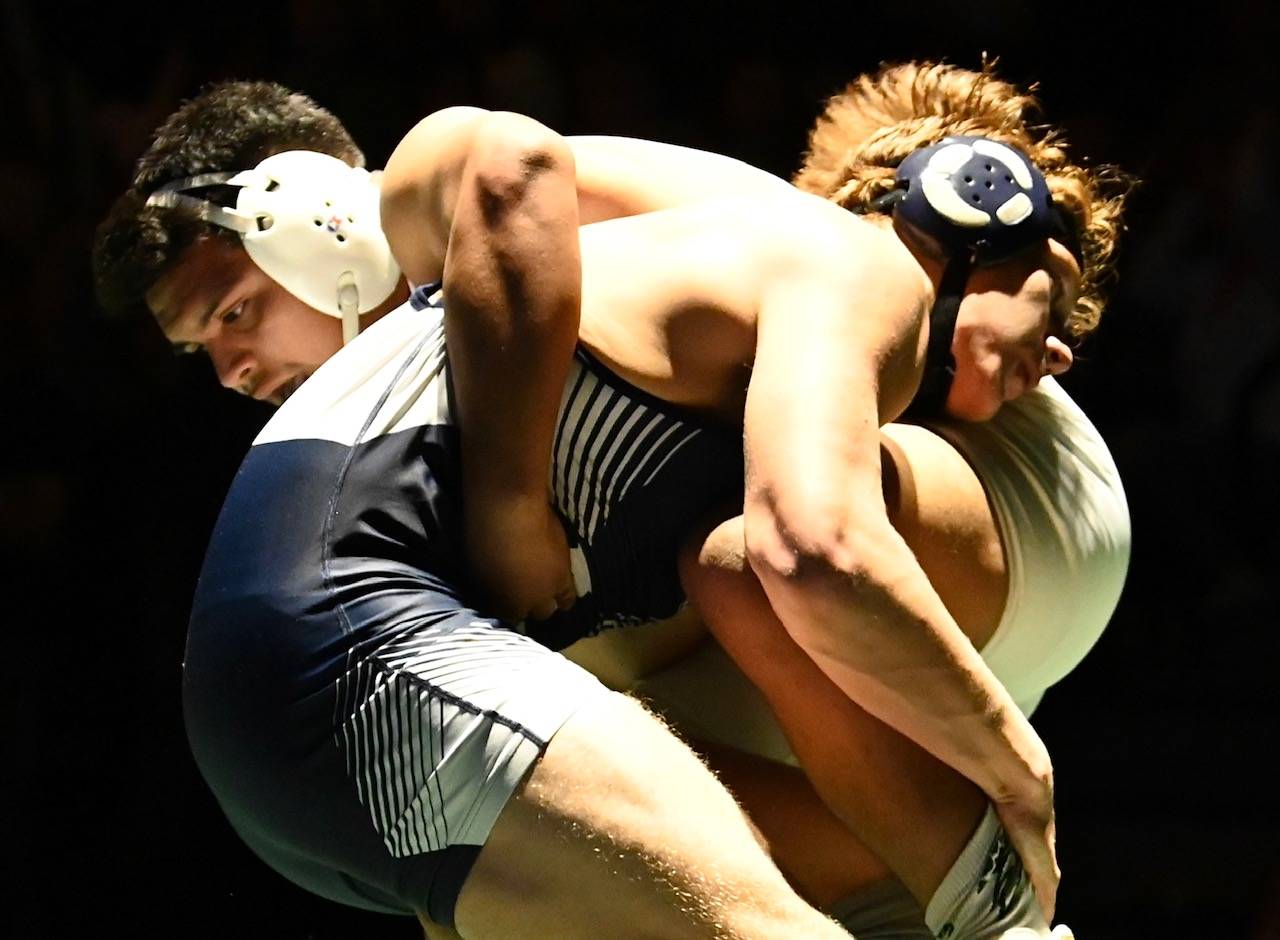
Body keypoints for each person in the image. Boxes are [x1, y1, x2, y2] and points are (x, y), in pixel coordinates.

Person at [91, 64, 1129, 938]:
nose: (1060, 348)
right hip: (349, 634)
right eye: (1052, 285)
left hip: (293, 691)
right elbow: (810, 548)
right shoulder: (847, 259)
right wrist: (1017, 765)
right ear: (959, 207)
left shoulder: (615, 277)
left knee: (841, 907)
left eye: (234, 314)